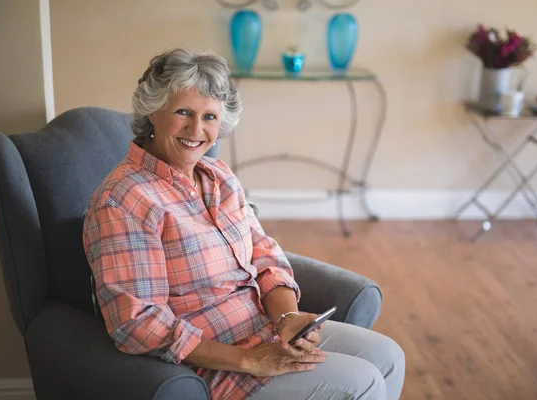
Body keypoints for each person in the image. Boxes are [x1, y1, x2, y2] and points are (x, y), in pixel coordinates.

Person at [83, 48, 405, 400]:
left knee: (388, 358)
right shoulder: (125, 199)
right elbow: (136, 322)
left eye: (209, 116)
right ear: (153, 112)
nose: (196, 129)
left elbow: (265, 255)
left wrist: (287, 320)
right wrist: (249, 359)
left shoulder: (218, 176)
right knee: (362, 382)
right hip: (216, 362)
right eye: (183, 112)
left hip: (263, 330)